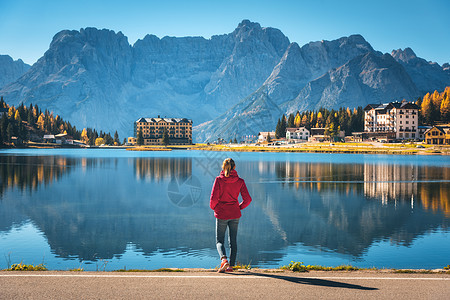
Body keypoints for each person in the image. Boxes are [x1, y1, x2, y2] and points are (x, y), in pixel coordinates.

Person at [210, 158, 252, 273]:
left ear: (223, 167)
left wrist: (215, 208)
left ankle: (224, 260)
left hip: (222, 213)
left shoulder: (219, 180)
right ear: (234, 167)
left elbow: (213, 199)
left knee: (219, 241)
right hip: (234, 214)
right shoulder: (240, 181)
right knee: (233, 241)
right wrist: (238, 207)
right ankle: (230, 266)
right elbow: (248, 199)